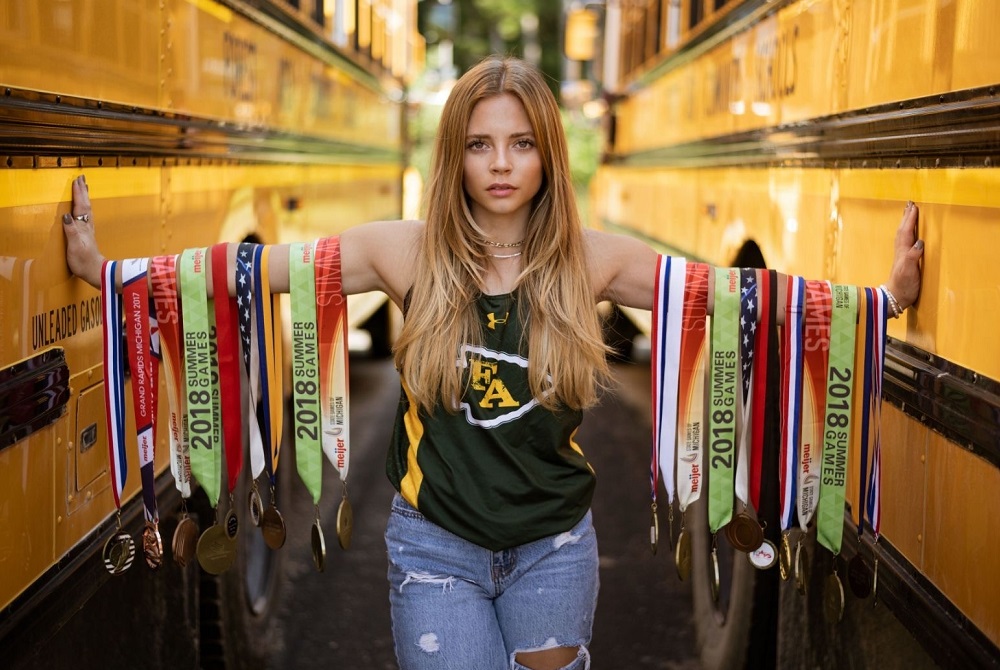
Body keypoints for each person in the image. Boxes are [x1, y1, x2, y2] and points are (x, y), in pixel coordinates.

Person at [62, 55, 924, 670]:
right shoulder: (403, 253)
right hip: (433, 551)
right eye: (480, 144)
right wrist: (107, 272)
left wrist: (880, 298)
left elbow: (742, 302)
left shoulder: (593, 261)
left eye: (519, 144)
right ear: (456, 156)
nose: (501, 164)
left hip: (555, 550)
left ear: (548, 151)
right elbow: (244, 277)